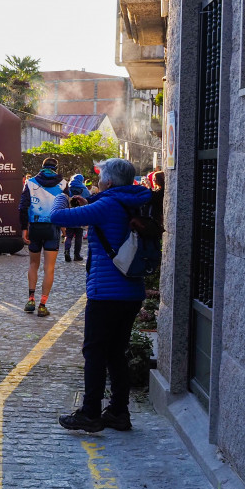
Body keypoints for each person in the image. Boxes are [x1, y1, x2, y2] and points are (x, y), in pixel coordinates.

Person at [52, 157, 153, 433]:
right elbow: (110, 221)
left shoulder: (107, 203)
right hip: (131, 290)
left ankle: (91, 413)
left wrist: (61, 196)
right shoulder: (134, 200)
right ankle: (119, 412)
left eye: (100, 177)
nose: (97, 181)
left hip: (106, 293)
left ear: (108, 181)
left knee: (94, 351)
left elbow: (58, 217)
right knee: (116, 352)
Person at [20, 157, 67, 317]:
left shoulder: (31, 182)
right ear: (56, 167)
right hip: (52, 228)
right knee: (49, 268)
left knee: (33, 264)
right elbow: (65, 207)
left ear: (42, 167)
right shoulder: (63, 184)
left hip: (35, 226)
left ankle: (30, 299)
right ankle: (42, 305)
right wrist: (64, 228)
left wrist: (23, 228)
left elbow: (23, 206)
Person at [63, 173, 90, 263]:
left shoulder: (68, 189)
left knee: (68, 235)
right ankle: (76, 255)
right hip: (80, 215)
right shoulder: (84, 190)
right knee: (79, 236)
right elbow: (88, 203)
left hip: (69, 214)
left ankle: (67, 251)